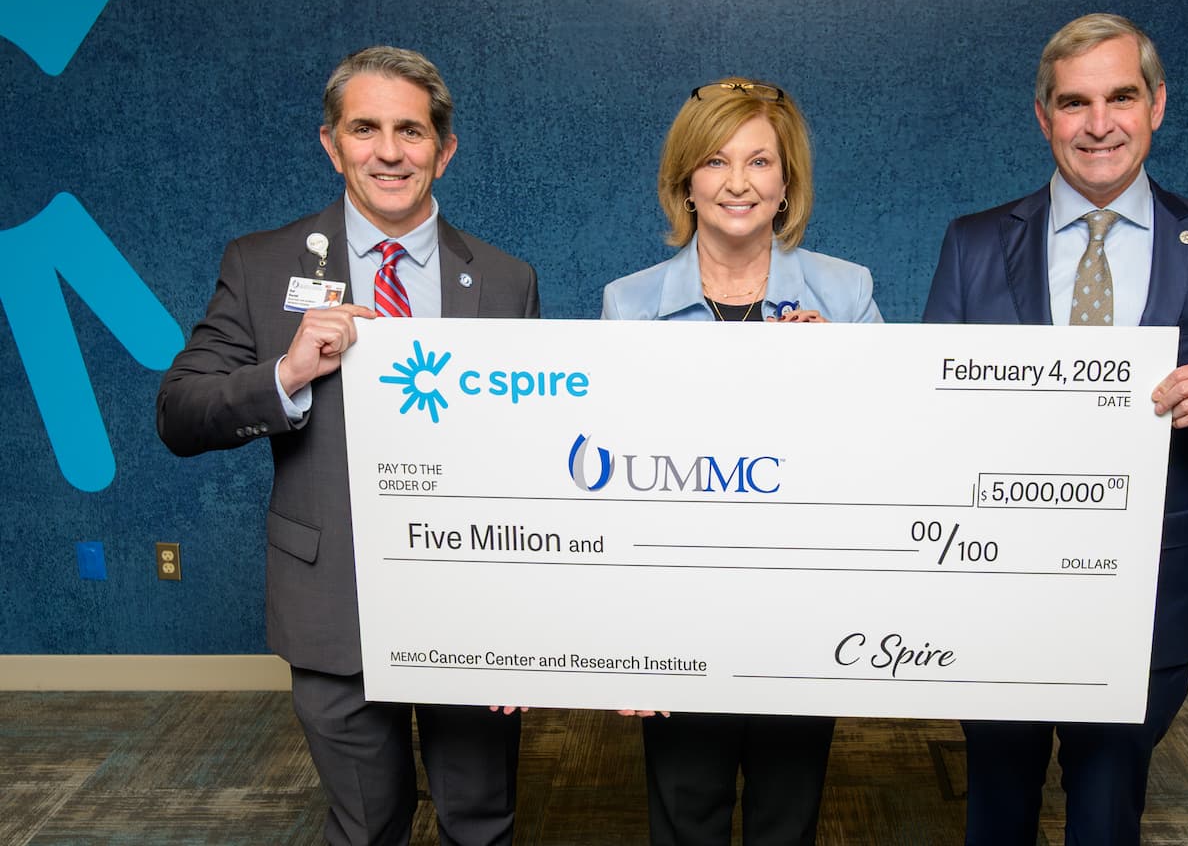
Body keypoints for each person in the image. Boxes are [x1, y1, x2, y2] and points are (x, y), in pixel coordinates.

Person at [923, 14, 1188, 845]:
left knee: (1105, 810)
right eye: (1075, 103)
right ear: (1044, 117)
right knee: (996, 802)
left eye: (1120, 97)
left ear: (1157, 104)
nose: (1099, 124)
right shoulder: (975, 243)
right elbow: (930, 405)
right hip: (998, 582)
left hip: (1145, 588)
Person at [157, 46, 539, 846]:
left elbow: (526, 453)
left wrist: (525, 624)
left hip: (469, 604)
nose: (390, 152)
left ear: (446, 148)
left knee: (480, 821)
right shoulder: (262, 266)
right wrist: (288, 373)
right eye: (365, 129)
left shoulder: (506, 281)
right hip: (332, 601)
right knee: (365, 827)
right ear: (332, 144)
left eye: (411, 130)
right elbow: (180, 413)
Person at [602, 78, 881, 844]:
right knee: (685, 812)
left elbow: (888, 450)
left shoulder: (847, 292)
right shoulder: (627, 304)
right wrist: (627, 640)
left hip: (803, 598)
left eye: (760, 162)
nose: (737, 182)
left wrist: (843, 370)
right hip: (678, 603)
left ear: (787, 183)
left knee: (786, 818)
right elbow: (612, 485)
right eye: (716, 161)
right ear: (684, 182)